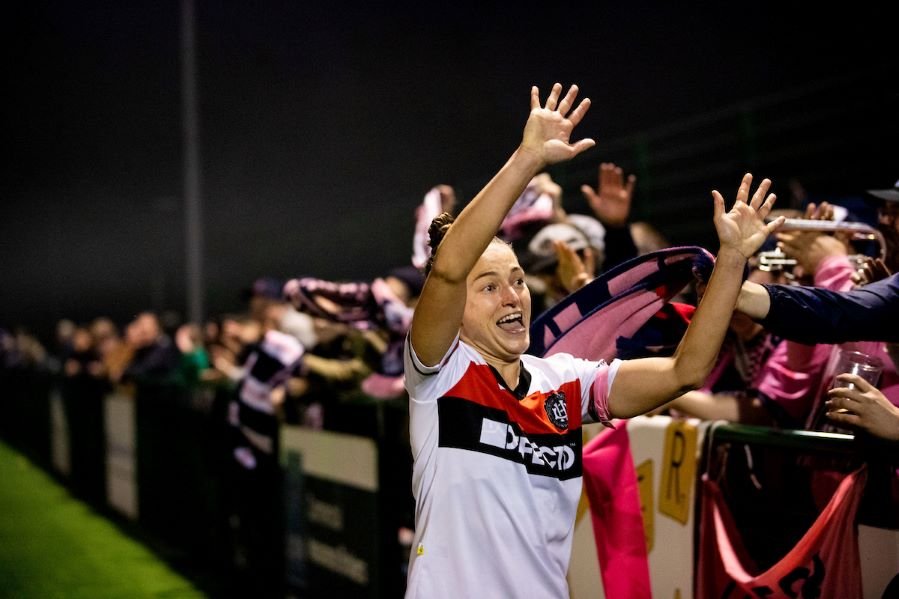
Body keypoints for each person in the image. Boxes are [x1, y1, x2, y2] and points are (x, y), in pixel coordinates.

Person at [404, 82, 782, 598]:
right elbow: (448, 270)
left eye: (517, 280)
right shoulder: (438, 374)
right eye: (488, 287)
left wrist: (733, 260)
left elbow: (684, 372)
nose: (512, 296)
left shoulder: (564, 381)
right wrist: (527, 160)